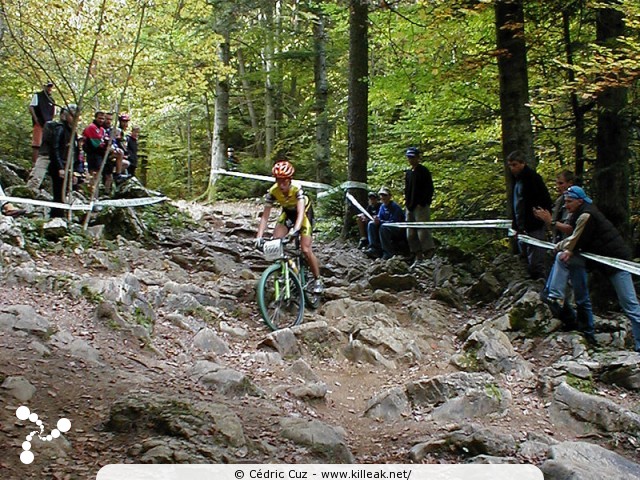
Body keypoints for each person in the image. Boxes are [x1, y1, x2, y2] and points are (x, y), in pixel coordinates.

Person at [544, 186, 640, 351]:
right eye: (565, 201)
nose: (566, 205)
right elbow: (574, 240)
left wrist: (563, 247)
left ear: (579, 201)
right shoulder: (580, 214)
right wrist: (564, 248)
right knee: (563, 259)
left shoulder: (586, 215)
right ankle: (555, 294)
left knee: (630, 305)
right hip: (598, 261)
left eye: (569, 202)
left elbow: (575, 239)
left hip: (616, 262)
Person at [256, 160, 323, 293]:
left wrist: (296, 229)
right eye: (278, 180)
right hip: (287, 214)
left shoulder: (297, 189)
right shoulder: (273, 191)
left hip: (303, 215)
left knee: (305, 249)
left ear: (290, 179)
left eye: (284, 180)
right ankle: (283, 270)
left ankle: (317, 279)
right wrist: (259, 236)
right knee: (275, 242)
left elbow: (301, 213)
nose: (281, 184)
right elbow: (265, 216)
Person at [536, 170, 577, 324]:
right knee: (551, 292)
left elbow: (570, 228)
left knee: (564, 290)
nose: (558, 186)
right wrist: (546, 219)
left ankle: (572, 321)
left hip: (570, 251)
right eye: (557, 183)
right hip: (559, 248)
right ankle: (567, 319)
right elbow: (555, 227)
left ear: (570, 183)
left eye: (561, 183)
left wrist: (550, 221)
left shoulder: (574, 203)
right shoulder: (561, 201)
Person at [507, 150, 553, 279]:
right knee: (525, 258)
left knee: (536, 260)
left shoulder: (533, 178)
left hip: (534, 224)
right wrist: (516, 226)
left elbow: (545, 199)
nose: (512, 168)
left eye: (514, 165)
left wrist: (541, 217)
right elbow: (517, 205)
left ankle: (540, 285)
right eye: (510, 165)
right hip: (522, 225)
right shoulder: (517, 181)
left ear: (522, 163)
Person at [404, 146, 435, 268]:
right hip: (410, 206)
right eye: (409, 157)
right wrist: (407, 203)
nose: (411, 159)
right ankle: (417, 255)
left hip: (420, 206)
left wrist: (424, 202)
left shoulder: (424, 171)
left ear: (417, 158)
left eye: (413, 157)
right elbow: (407, 190)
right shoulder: (408, 173)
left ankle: (429, 253)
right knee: (410, 233)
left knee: (423, 231)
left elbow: (429, 189)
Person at [49, 104, 80, 218]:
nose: (74, 118)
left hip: (69, 166)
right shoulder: (60, 129)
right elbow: (55, 149)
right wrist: (60, 167)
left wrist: (76, 171)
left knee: (66, 192)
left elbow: (76, 152)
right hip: (59, 167)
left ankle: (60, 216)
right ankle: (56, 217)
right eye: (72, 116)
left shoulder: (73, 132)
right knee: (58, 193)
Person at [27, 109, 67, 192]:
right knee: (36, 176)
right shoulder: (51, 125)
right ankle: (28, 194)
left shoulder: (69, 130)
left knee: (60, 182)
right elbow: (50, 142)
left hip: (60, 158)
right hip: (47, 154)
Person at [365, 187, 407, 260]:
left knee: (383, 227)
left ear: (389, 196)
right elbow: (380, 218)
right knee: (371, 224)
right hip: (386, 226)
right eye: (381, 195)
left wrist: (381, 222)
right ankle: (374, 248)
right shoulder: (382, 207)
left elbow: (394, 221)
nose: (383, 197)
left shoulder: (395, 207)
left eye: (385, 195)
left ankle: (388, 253)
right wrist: (376, 219)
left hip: (398, 229)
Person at [29, 82, 56, 165]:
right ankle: (34, 164)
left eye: (50, 87)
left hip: (48, 125)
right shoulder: (38, 95)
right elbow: (31, 107)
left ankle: (41, 164)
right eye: (48, 86)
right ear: (44, 87)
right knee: (36, 144)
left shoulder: (51, 99)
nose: (49, 88)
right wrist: (36, 119)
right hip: (39, 123)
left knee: (45, 145)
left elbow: (53, 112)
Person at [82, 111, 106, 192]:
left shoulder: (102, 129)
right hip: (92, 153)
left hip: (100, 154)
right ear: (95, 118)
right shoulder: (91, 127)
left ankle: (95, 194)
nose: (101, 120)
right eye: (99, 118)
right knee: (93, 174)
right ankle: (91, 193)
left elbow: (103, 141)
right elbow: (96, 144)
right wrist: (104, 145)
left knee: (98, 174)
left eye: (103, 119)